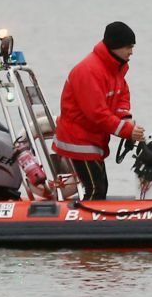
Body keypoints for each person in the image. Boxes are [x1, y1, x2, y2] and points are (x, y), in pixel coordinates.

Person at [53, 21, 146, 200]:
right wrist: (127, 131)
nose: (131, 52)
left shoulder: (114, 69)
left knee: (100, 187)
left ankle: (90, 222)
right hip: (79, 140)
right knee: (96, 189)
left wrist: (126, 119)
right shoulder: (89, 71)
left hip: (93, 139)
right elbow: (97, 113)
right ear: (115, 46)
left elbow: (121, 97)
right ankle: (84, 225)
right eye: (128, 47)